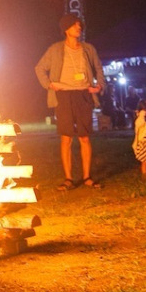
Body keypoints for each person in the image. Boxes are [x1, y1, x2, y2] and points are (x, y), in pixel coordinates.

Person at [35, 14, 105, 190]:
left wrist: (99, 86)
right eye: (74, 25)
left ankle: (87, 177)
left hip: (83, 94)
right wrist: (50, 85)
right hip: (64, 96)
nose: (78, 28)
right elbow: (39, 68)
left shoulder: (88, 49)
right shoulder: (56, 49)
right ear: (66, 30)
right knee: (66, 138)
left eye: (79, 25)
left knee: (84, 137)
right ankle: (68, 179)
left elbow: (98, 68)